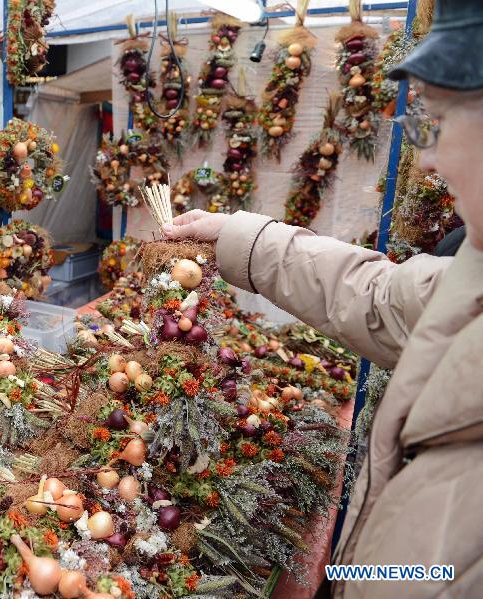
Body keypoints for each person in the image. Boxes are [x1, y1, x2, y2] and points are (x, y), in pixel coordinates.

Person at [162, 3, 482, 597]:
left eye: (434, 122)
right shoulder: (474, 269)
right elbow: (381, 298)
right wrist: (236, 234)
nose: (429, 159)